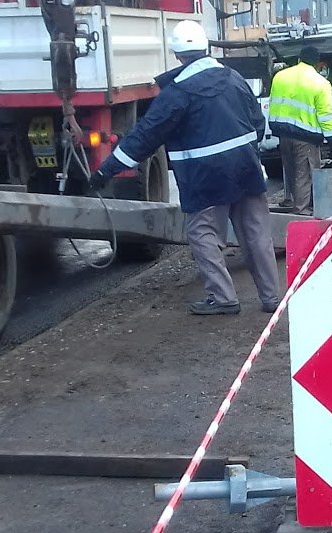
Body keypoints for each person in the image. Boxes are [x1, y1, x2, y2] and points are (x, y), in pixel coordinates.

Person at [92, 21, 280, 316]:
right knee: (256, 232)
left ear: (178, 56)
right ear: (205, 48)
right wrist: (246, 151)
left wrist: (106, 171)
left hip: (205, 177)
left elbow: (144, 136)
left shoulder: (177, 93)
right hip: (245, 167)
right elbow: (257, 121)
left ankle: (223, 297)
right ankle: (270, 298)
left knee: (202, 232)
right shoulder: (233, 78)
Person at [267, 45, 332, 215]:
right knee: (304, 174)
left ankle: (293, 200)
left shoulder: (280, 76)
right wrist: (331, 139)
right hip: (306, 138)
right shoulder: (321, 83)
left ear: (299, 58)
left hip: (283, 133)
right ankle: (301, 211)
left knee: (290, 171)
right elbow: (325, 115)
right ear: (317, 63)